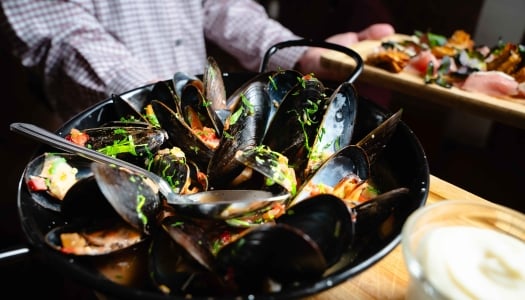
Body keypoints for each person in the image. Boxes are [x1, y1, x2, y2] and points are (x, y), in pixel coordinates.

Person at [0, 0, 394, 123]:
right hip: (105, 126)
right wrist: (181, 105)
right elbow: (65, 37)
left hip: (204, 106)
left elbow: (222, 6)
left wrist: (302, 55)